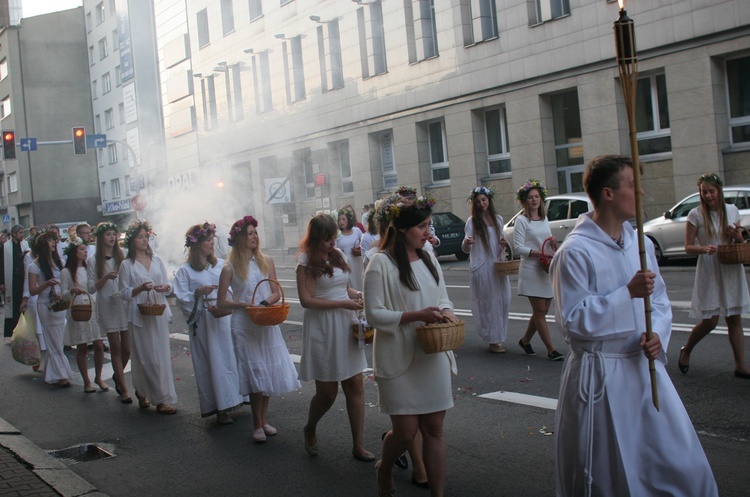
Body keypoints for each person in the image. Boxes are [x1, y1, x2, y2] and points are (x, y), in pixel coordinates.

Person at [550, 155, 718, 497]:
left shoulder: (639, 243)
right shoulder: (574, 251)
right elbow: (574, 322)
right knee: (609, 473)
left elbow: (658, 302)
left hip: (644, 370)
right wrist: (626, 293)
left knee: (681, 466)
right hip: (601, 376)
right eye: (632, 185)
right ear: (608, 193)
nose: (640, 192)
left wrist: (657, 333)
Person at [364, 195, 458, 497]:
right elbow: (373, 314)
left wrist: (447, 312)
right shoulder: (380, 263)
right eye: (422, 226)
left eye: (428, 225)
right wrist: (414, 316)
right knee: (405, 433)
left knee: (434, 430)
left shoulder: (429, 257)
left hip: (432, 354)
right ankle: (385, 467)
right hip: (398, 356)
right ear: (402, 229)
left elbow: (443, 297)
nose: (427, 232)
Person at [296, 213, 373, 461]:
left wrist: (357, 293)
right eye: (328, 239)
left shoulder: (336, 254)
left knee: (355, 386)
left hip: (345, 323)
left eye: (333, 238)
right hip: (323, 327)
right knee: (327, 393)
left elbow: (342, 287)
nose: (332, 243)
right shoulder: (305, 261)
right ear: (316, 238)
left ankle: (358, 445)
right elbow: (306, 301)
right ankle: (310, 427)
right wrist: (342, 303)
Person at [217, 216, 300, 441]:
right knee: (256, 372)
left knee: (268, 371)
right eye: (250, 233)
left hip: (265, 322)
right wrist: (242, 304)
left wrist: (265, 304)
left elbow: (274, 291)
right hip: (244, 325)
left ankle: (264, 420)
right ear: (240, 238)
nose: (254, 236)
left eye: (256, 233)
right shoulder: (229, 268)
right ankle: (256, 424)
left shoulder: (267, 261)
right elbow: (221, 302)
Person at [678, 173, 750, 378]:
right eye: (704, 192)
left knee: (734, 318)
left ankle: (740, 366)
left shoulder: (732, 211)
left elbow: (737, 242)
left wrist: (737, 237)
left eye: (712, 191)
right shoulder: (696, 215)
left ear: (719, 190)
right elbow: (688, 246)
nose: (708, 195)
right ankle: (687, 350)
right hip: (709, 267)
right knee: (710, 321)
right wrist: (703, 249)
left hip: (729, 267)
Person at [173, 222, 244, 426]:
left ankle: (240, 398)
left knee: (232, 358)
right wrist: (197, 293)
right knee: (215, 363)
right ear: (197, 245)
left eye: (213, 239)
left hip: (225, 318)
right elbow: (181, 298)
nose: (212, 243)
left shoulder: (220, 264)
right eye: (207, 240)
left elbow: (234, 287)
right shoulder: (185, 271)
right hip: (205, 322)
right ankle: (221, 408)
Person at [118, 220, 177, 414]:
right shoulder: (127, 265)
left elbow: (167, 285)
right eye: (140, 237)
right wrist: (139, 289)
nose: (144, 240)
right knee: (144, 356)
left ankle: (161, 398)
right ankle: (144, 392)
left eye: (146, 237)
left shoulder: (157, 260)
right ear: (132, 241)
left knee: (159, 355)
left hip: (157, 310)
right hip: (139, 313)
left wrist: (165, 287)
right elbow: (124, 293)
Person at [514, 180, 564, 361]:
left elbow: (546, 241)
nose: (534, 200)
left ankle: (525, 340)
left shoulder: (544, 219)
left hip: (545, 267)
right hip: (530, 269)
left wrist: (552, 244)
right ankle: (551, 349)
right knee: (540, 311)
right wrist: (540, 252)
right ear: (524, 201)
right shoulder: (522, 220)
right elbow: (518, 248)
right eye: (530, 198)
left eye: (536, 197)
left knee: (541, 311)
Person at [461, 187, 510, 353]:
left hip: (497, 266)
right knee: (489, 303)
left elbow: (499, 243)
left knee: (503, 300)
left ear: (489, 200)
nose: (481, 203)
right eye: (478, 201)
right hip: (482, 267)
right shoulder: (472, 222)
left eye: (484, 200)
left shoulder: (498, 219)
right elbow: (465, 248)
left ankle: (498, 336)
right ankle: (493, 340)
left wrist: (502, 243)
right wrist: (467, 242)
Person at [88, 222, 132, 403]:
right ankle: (124, 389)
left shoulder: (123, 257)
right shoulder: (93, 260)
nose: (112, 237)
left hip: (122, 303)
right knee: (115, 347)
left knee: (127, 349)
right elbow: (91, 287)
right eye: (108, 234)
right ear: (100, 238)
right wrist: (106, 277)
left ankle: (117, 375)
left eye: (114, 234)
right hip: (107, 303)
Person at [60, 239, 108, 393]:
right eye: (82, 249)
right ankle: (86, 381)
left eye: (85, 249)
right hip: (77, 309)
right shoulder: (66, 272)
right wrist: (72, 291)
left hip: (91, 307)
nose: (85, 251)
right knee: (82, 347)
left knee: (99, 345)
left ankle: (99, 377)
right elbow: (62, 295)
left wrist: (104, 279)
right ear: (74, 252)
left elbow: (92, 288)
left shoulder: (89, 269)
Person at [28, 230, 73, 388]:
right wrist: (47, 284)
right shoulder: (34, 266)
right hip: (45, 304)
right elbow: (33, 290)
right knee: (52, 339)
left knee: (59, 339)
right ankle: (61, 375)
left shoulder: (60, 260)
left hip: (59, 303)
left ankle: (54, 370)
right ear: (43, 245)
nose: (54, 243)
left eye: (54, 241)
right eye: (50, 241)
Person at [1, 225, 30, 337]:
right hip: (11, 280)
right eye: (20, 233)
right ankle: (13, 331)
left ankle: (25, 329)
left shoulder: (25, 245)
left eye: (23, 232)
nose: (22, 235)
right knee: (13, 304)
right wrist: (2, 282)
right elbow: (1, 265)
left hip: (23, 278)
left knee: (23, 303)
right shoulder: (5, 247)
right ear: (14, 234)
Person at [336, 209, 364, 292]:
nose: (341, 222)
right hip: (345, 263)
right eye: (339, 220)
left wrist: (359, 252)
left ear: (348, 220)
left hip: (357, 261)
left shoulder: (356, 231)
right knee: (350, 283)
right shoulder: (337, 234)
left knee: (360, 280)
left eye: (343, 219)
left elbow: (364, 245)